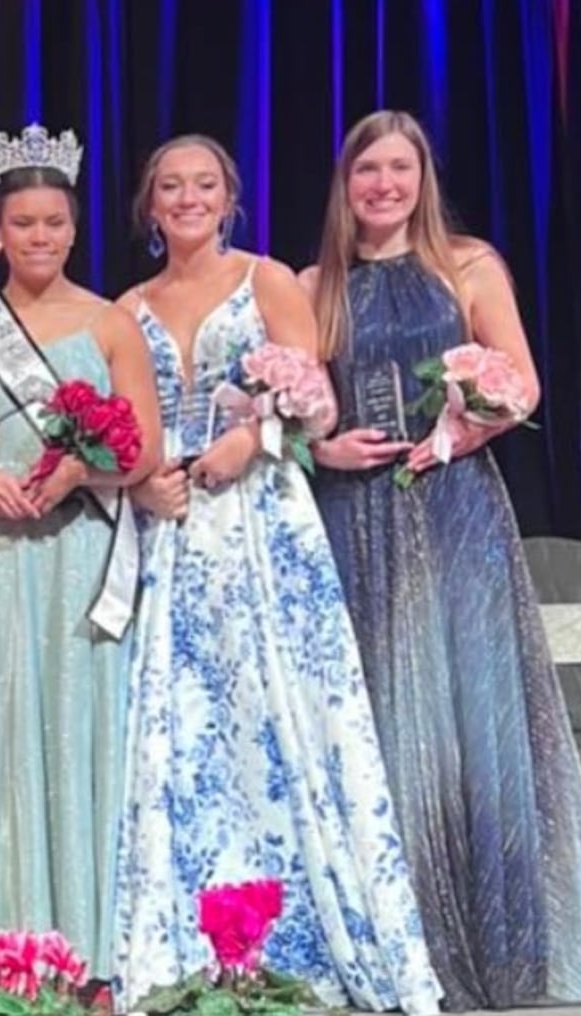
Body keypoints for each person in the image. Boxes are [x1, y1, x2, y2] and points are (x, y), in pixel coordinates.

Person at [304, 109, 581, 1010]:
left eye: (400, 170)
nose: (384, 188)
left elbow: (518, 381)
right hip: (354, 514)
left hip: (453, 507)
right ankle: (396, 938)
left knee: (473, 710)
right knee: (378, 714)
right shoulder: (314, 281)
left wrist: (453, 433)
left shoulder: (468, 265)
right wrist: (321, 452)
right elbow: (292, 411)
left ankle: (500, 940)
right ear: (346, 183)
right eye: (368, 172)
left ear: (421, 178)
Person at [110, 134, 440, 1013]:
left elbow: (317, 400)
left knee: (280, 714)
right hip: (173, 530)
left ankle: (294, 927)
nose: (187, 199)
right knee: (186, 725)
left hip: (260, 521)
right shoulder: (127, 304)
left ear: (230, 199)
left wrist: (248, 437)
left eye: (204, 185)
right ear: (149, 206)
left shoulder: (267, 281)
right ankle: (192, 936)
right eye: (170, 187)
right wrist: (143, 480)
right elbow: (126, 425)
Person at [0, 125, 162, 988]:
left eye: (53, 223)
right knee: (5, 731)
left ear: (72, 228)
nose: (38, 237)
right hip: (0, 556)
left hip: (83, 551)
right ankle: (4, 945)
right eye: (22, 223)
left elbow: (141, 451)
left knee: (84, 731)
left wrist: (75, 470)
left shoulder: (111, 324)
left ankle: (95, 946)